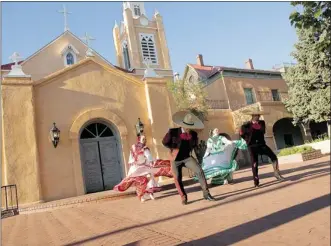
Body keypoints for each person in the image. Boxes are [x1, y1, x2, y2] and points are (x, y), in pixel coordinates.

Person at [162, 111, 215, 205]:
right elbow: (165, 143)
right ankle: (183, 197)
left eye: (190, 127)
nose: (188, 129)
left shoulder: (193, 134)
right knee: (177, 178)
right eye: (187, 127)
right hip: (175, 159)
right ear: (182, 125)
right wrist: (171, 142)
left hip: (187, 157)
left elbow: (194, 146)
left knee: (199, 171)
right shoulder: (173, 132)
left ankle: (206, 194)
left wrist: (198, 157)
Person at [114, 135, 173, 202]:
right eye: (143, 139)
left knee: (149, 178)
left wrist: (150, 162)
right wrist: (133, 163)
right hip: (136, 168)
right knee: (140, 181)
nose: (145, 140)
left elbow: (148, 156)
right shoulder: (136, 147)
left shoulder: (144, 148)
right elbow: (133, 157)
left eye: (145, 139)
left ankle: (150, 193)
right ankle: (141, 196)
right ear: (139, 139)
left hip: (144, 167)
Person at [240, 109, 285, 187]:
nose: (258, 116)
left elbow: (262, 131)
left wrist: (256, 125)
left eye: (258, 115)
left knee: (274, 157)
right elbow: (242, 134)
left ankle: (277, 174)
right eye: (256, 115)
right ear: (252, 116)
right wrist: (247, 140)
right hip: (252, 146)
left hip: (262, 145)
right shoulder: (246, 125)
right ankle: (256, 182)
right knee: (254, 164)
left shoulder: (262, 123)